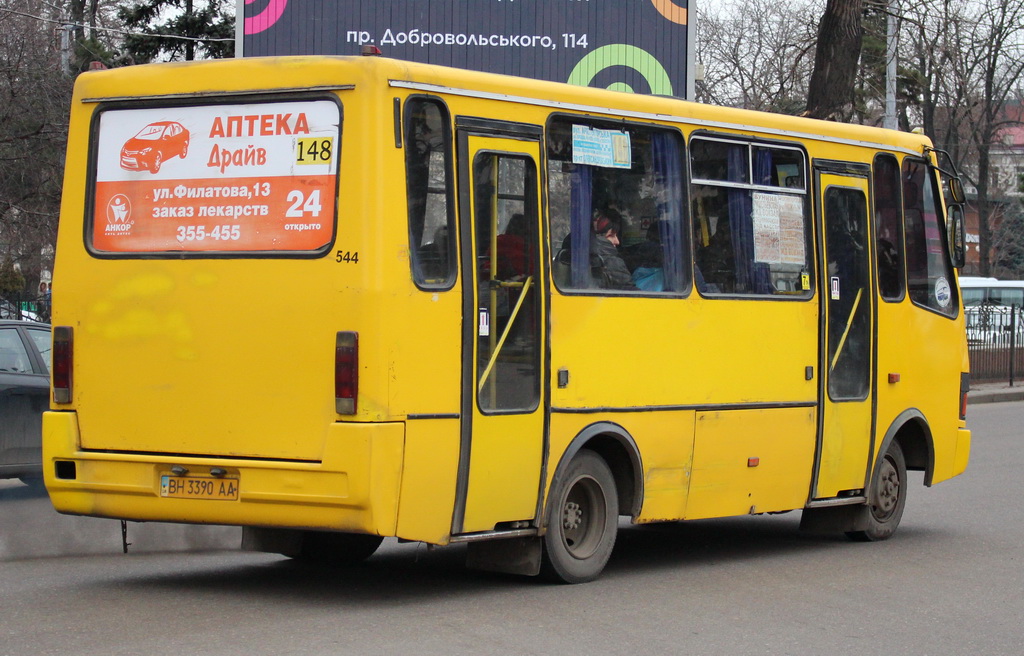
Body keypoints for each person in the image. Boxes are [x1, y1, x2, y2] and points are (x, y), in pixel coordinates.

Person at [590, 208, 636, 290]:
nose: (617, 241)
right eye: (611, 236)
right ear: (599, 237)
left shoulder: (584, 257)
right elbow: (633, 295)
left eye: (616, 236)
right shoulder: (613, 263)